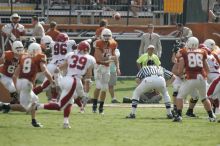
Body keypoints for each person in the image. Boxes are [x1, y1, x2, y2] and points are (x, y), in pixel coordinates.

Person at [36, 41, 95, 128]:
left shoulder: (70, 55)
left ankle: (66, 122)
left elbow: (58, 69)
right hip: (73, 81)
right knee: (60, 106)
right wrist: (86, 93)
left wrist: (57, 83)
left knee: (70, 102)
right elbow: (88, 78)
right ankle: (37, 106)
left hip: (65, 79)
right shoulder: (90, 59)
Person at [1, 42, 55, 127]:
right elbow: (44, 70)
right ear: (37, 50)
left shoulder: (23, 57)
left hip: (19, 81)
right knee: (24, 108)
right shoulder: (39, 56)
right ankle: (3, 106)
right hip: (26, 83)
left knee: (35, 100)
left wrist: (16, 87)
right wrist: (51, 80)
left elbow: (15, 75)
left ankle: (34, 121)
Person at [173, 37, 216, 122]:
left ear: (189, 43)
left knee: (180, 96)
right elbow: (207, 69)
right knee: (204, 98)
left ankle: (178, 116)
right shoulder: (202, 52)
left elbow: (180, 68)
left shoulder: (184, 52)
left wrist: (182, 76)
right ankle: (211, 116)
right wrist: (204, 77)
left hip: (191, 77)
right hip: (202, 77)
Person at [92, 28, 120, 114]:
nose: (107, 37)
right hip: (98, 67)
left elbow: (115, 56)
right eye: (105, 35)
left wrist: (118, 67)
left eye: (108, 36)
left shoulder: (113, 43)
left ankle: (101, 107)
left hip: (107, 67)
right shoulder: (98, 43)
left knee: (104, 88)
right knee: (99, 86)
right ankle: (94, 105)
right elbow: (98, 58)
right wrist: (109, 58)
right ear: (101, 35)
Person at [0, 41, 23, 107]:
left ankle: (12, 103)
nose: (19, 49)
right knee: (12, 88)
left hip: (12, 76)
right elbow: (1, 61)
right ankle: (14, 102)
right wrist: (2, 58)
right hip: (4, 75)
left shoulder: (22, 56)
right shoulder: (8, 54)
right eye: (17, 48)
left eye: (20, 48)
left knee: (17, 88)